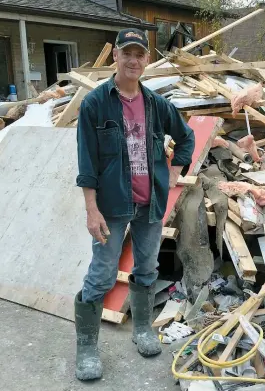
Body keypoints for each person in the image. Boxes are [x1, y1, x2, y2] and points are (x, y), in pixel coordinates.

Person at [74, 28, 195, 381]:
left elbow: (185, 137)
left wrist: (173, 170)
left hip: (150, 203)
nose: (133, 60)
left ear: (147, 60)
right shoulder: (96, 103)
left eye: (139, 54)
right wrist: (91, 209)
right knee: (102, 273)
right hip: (111, 206)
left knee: (146, 268)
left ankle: (142, 331)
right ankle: (87, 348)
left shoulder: (157, 105)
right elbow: (87, 162)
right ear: (115, 56)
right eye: (127, 53)